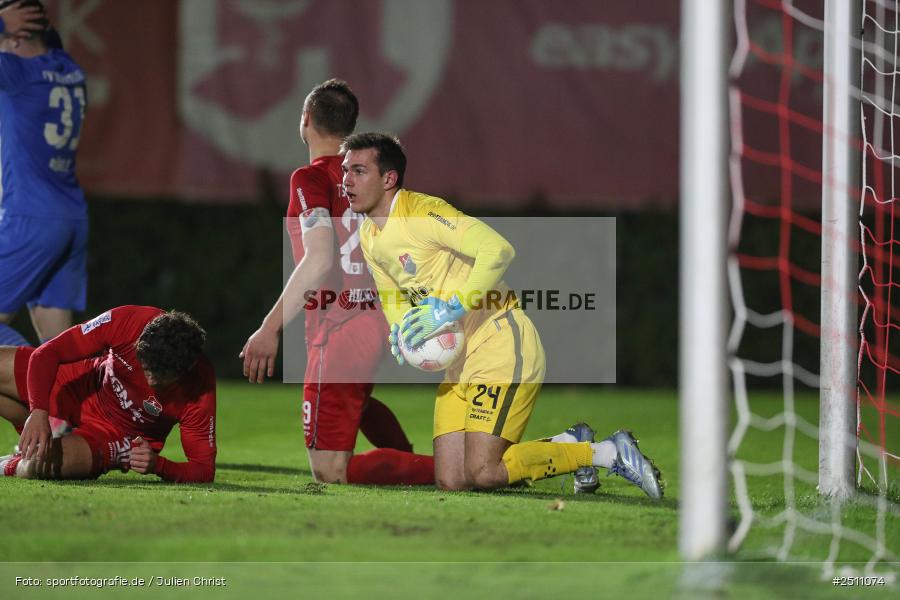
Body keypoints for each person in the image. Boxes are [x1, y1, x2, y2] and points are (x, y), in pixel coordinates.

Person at [343, 132, 664, 497]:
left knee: (484, 472)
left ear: (388, 178)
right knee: (453, 480)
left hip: (499, 342)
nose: (346, 181)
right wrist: (400, 328)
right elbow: (391, 292)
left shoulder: (423, 213)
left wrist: (453, 307)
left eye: (358, 171)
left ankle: (607, 452)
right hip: (458, 359)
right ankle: (570, 443)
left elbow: (498, 249)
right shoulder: (369, 233)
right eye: (345, 171)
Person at [240, 79, 433, 486]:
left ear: (305, 120)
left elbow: (320, 258)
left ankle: (456, 470)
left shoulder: (309, 179)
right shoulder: (374, 176)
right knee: (354, 402)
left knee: (329, 470)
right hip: (380, 317)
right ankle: (409, 460)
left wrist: (269, 328)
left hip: (341, 325)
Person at [0, 305, 216, 483]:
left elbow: (203, 470)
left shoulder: (199, 388)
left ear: (186, 370)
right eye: (146, 369)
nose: (150, 381)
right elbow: (47, 352)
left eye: (161, 379)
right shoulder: (129, 322)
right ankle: (44, 429)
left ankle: (13, 461)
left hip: (115, 435)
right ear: (140, 342)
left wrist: (159, 465)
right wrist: (38, 410)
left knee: (38, 466)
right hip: (83, 384)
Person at [0, 1, 90, 346]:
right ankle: (92, 399)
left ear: (18, 36)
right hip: (71, 218)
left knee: (44, 360)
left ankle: (27, 381)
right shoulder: (71, 70)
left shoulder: (18, 74)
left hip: (30, 217)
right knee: (60, 350)